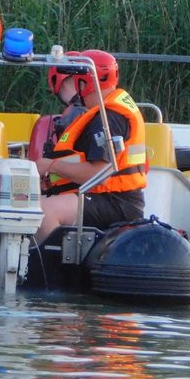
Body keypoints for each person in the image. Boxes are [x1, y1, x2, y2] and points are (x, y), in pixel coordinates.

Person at [34, 49, 147, 243]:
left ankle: (51, 270)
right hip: (110, 198)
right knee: (30, 206)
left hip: (116, 202)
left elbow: (99, 173)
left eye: (77, 80)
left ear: (86, 83)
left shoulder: (107, 118)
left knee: (44, 211)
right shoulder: (105, 112)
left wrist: (49, 166)